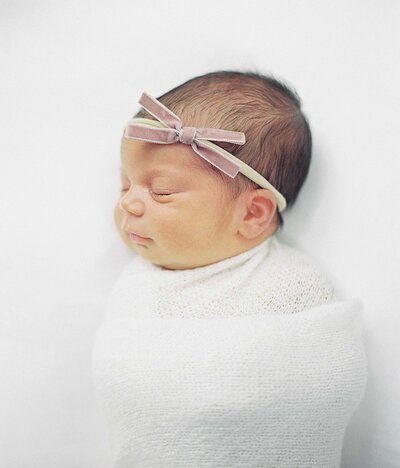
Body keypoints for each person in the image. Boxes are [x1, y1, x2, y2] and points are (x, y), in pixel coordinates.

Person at [92, 70, 367, 467]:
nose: (129, 205)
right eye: (124, 185)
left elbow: (325, 377)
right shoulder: (137, 284)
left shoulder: (294, 288)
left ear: (253, 214)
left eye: (161, 192)